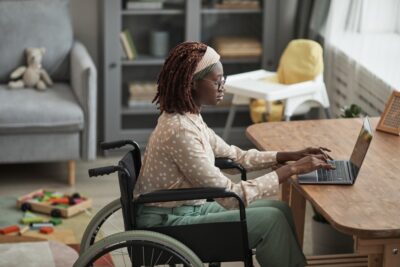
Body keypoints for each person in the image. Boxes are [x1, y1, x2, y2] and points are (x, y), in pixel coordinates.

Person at [134, 41, 334, 267]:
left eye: (224, 80)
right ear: (192, 83)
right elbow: (230, 197)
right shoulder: (180, 131)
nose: (223, 87)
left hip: (186, 209)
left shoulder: (189, 117)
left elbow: (235, 156)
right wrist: (292, 170)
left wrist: (288, 156)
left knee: (280, 209)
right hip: (167, 223)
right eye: (217, 81)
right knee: (272, 220)